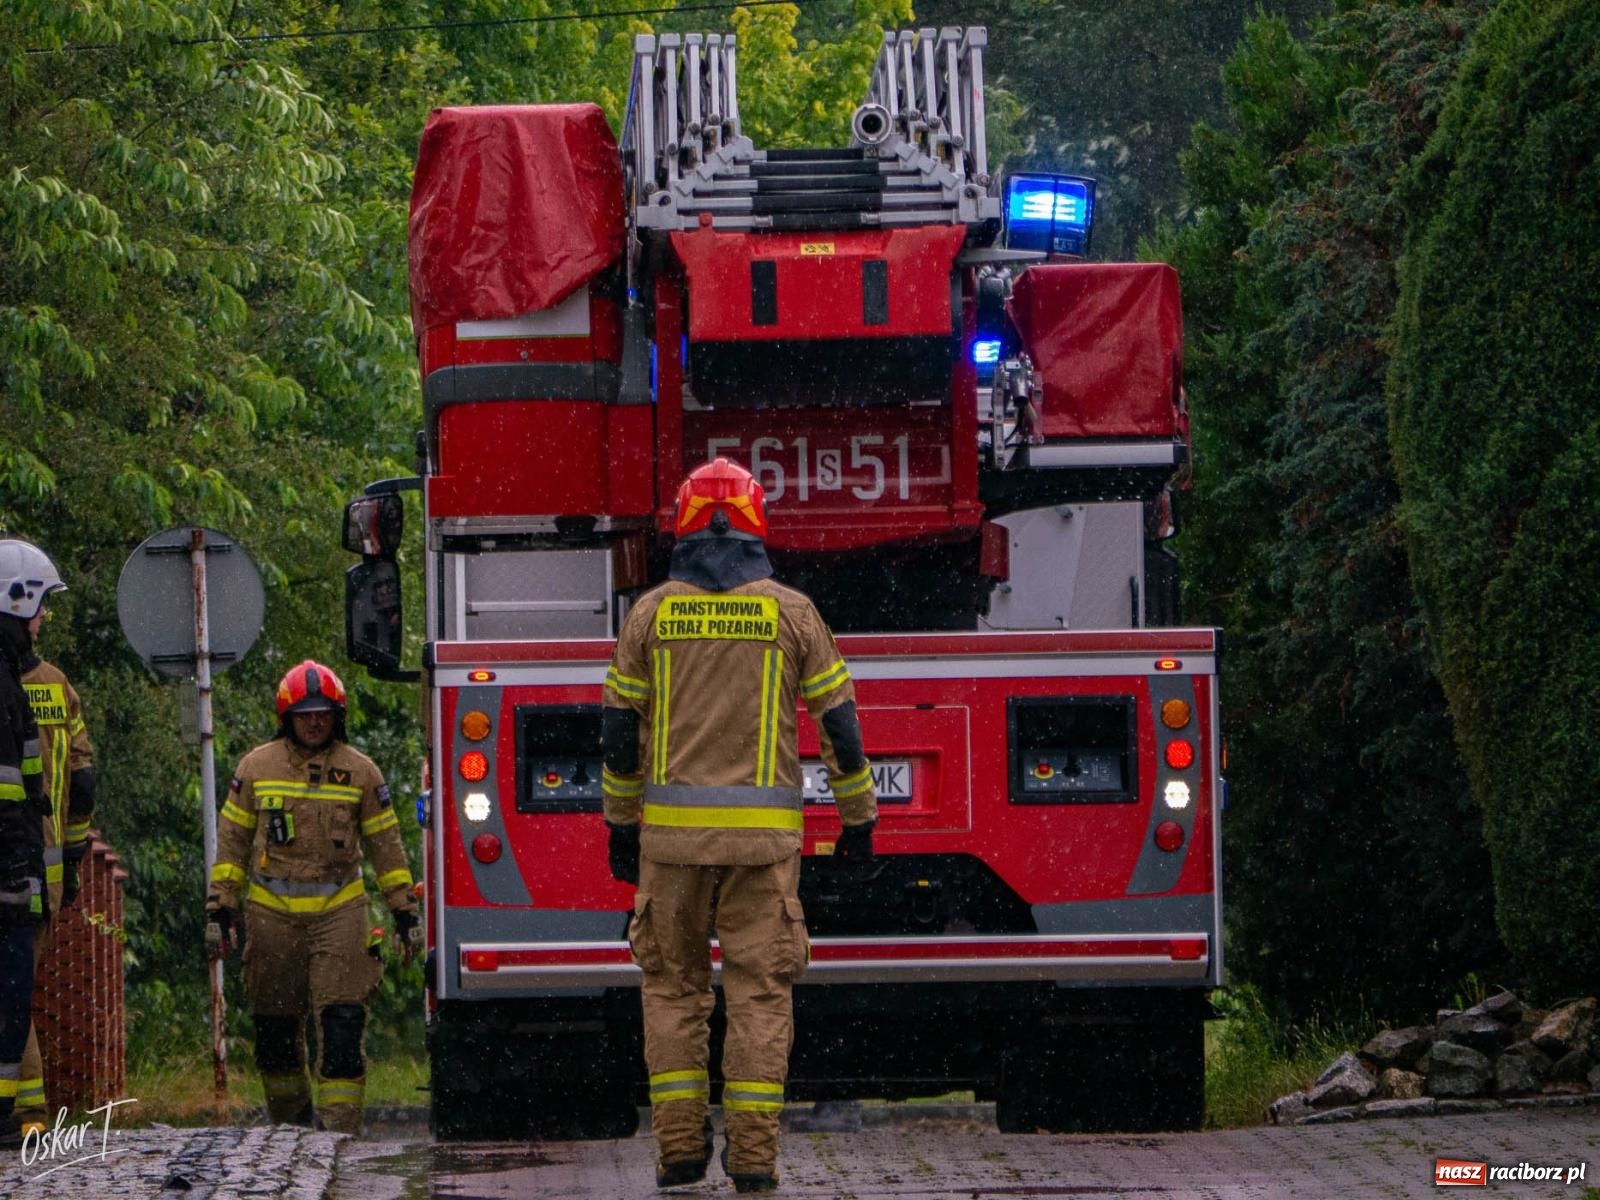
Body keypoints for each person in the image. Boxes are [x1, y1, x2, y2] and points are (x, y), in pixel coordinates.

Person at [601, 458, 878, 1193]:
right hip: (763, 854)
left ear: (683, 524)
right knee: (759, 995)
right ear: (758, 523)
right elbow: (841, 728)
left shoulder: (650, 615)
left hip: (671, 849)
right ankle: (753, 1159)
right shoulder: (792, 613)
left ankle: (680, 1153)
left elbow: (616, 733)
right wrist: (858, 819)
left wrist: (619, 825)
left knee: (672, 991)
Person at [205, 659, 419, 1134]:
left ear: (337, 715)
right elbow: (233, 842)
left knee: (342, 1027)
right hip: (271, 917)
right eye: (304, 714)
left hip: (340, 913)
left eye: (323, 712)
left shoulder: (361, 773)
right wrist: (222, 905)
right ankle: (290, 1132)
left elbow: (387, 846)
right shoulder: (256, 768)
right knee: (275, 1034)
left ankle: (339, 1134)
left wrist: (404, 911)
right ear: (287, 718)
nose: (315, 721)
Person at [15, 549, 95, 1134]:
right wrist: (70, 851)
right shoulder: (56, 686)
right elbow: (83, 777)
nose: (45, 618)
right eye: (43, 605)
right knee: (15, 983)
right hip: (47, 868)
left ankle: (26, 1113)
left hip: (12, 862)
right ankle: (27, 1112)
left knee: (8, 989)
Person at [0, 541, 57, 1148]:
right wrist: (16, 868)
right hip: (6, 879)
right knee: (8, 1001)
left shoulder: (10, 680)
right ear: (15, 601)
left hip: (13, 875)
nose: (43, 619)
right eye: (40, 605)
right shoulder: (2, 686)